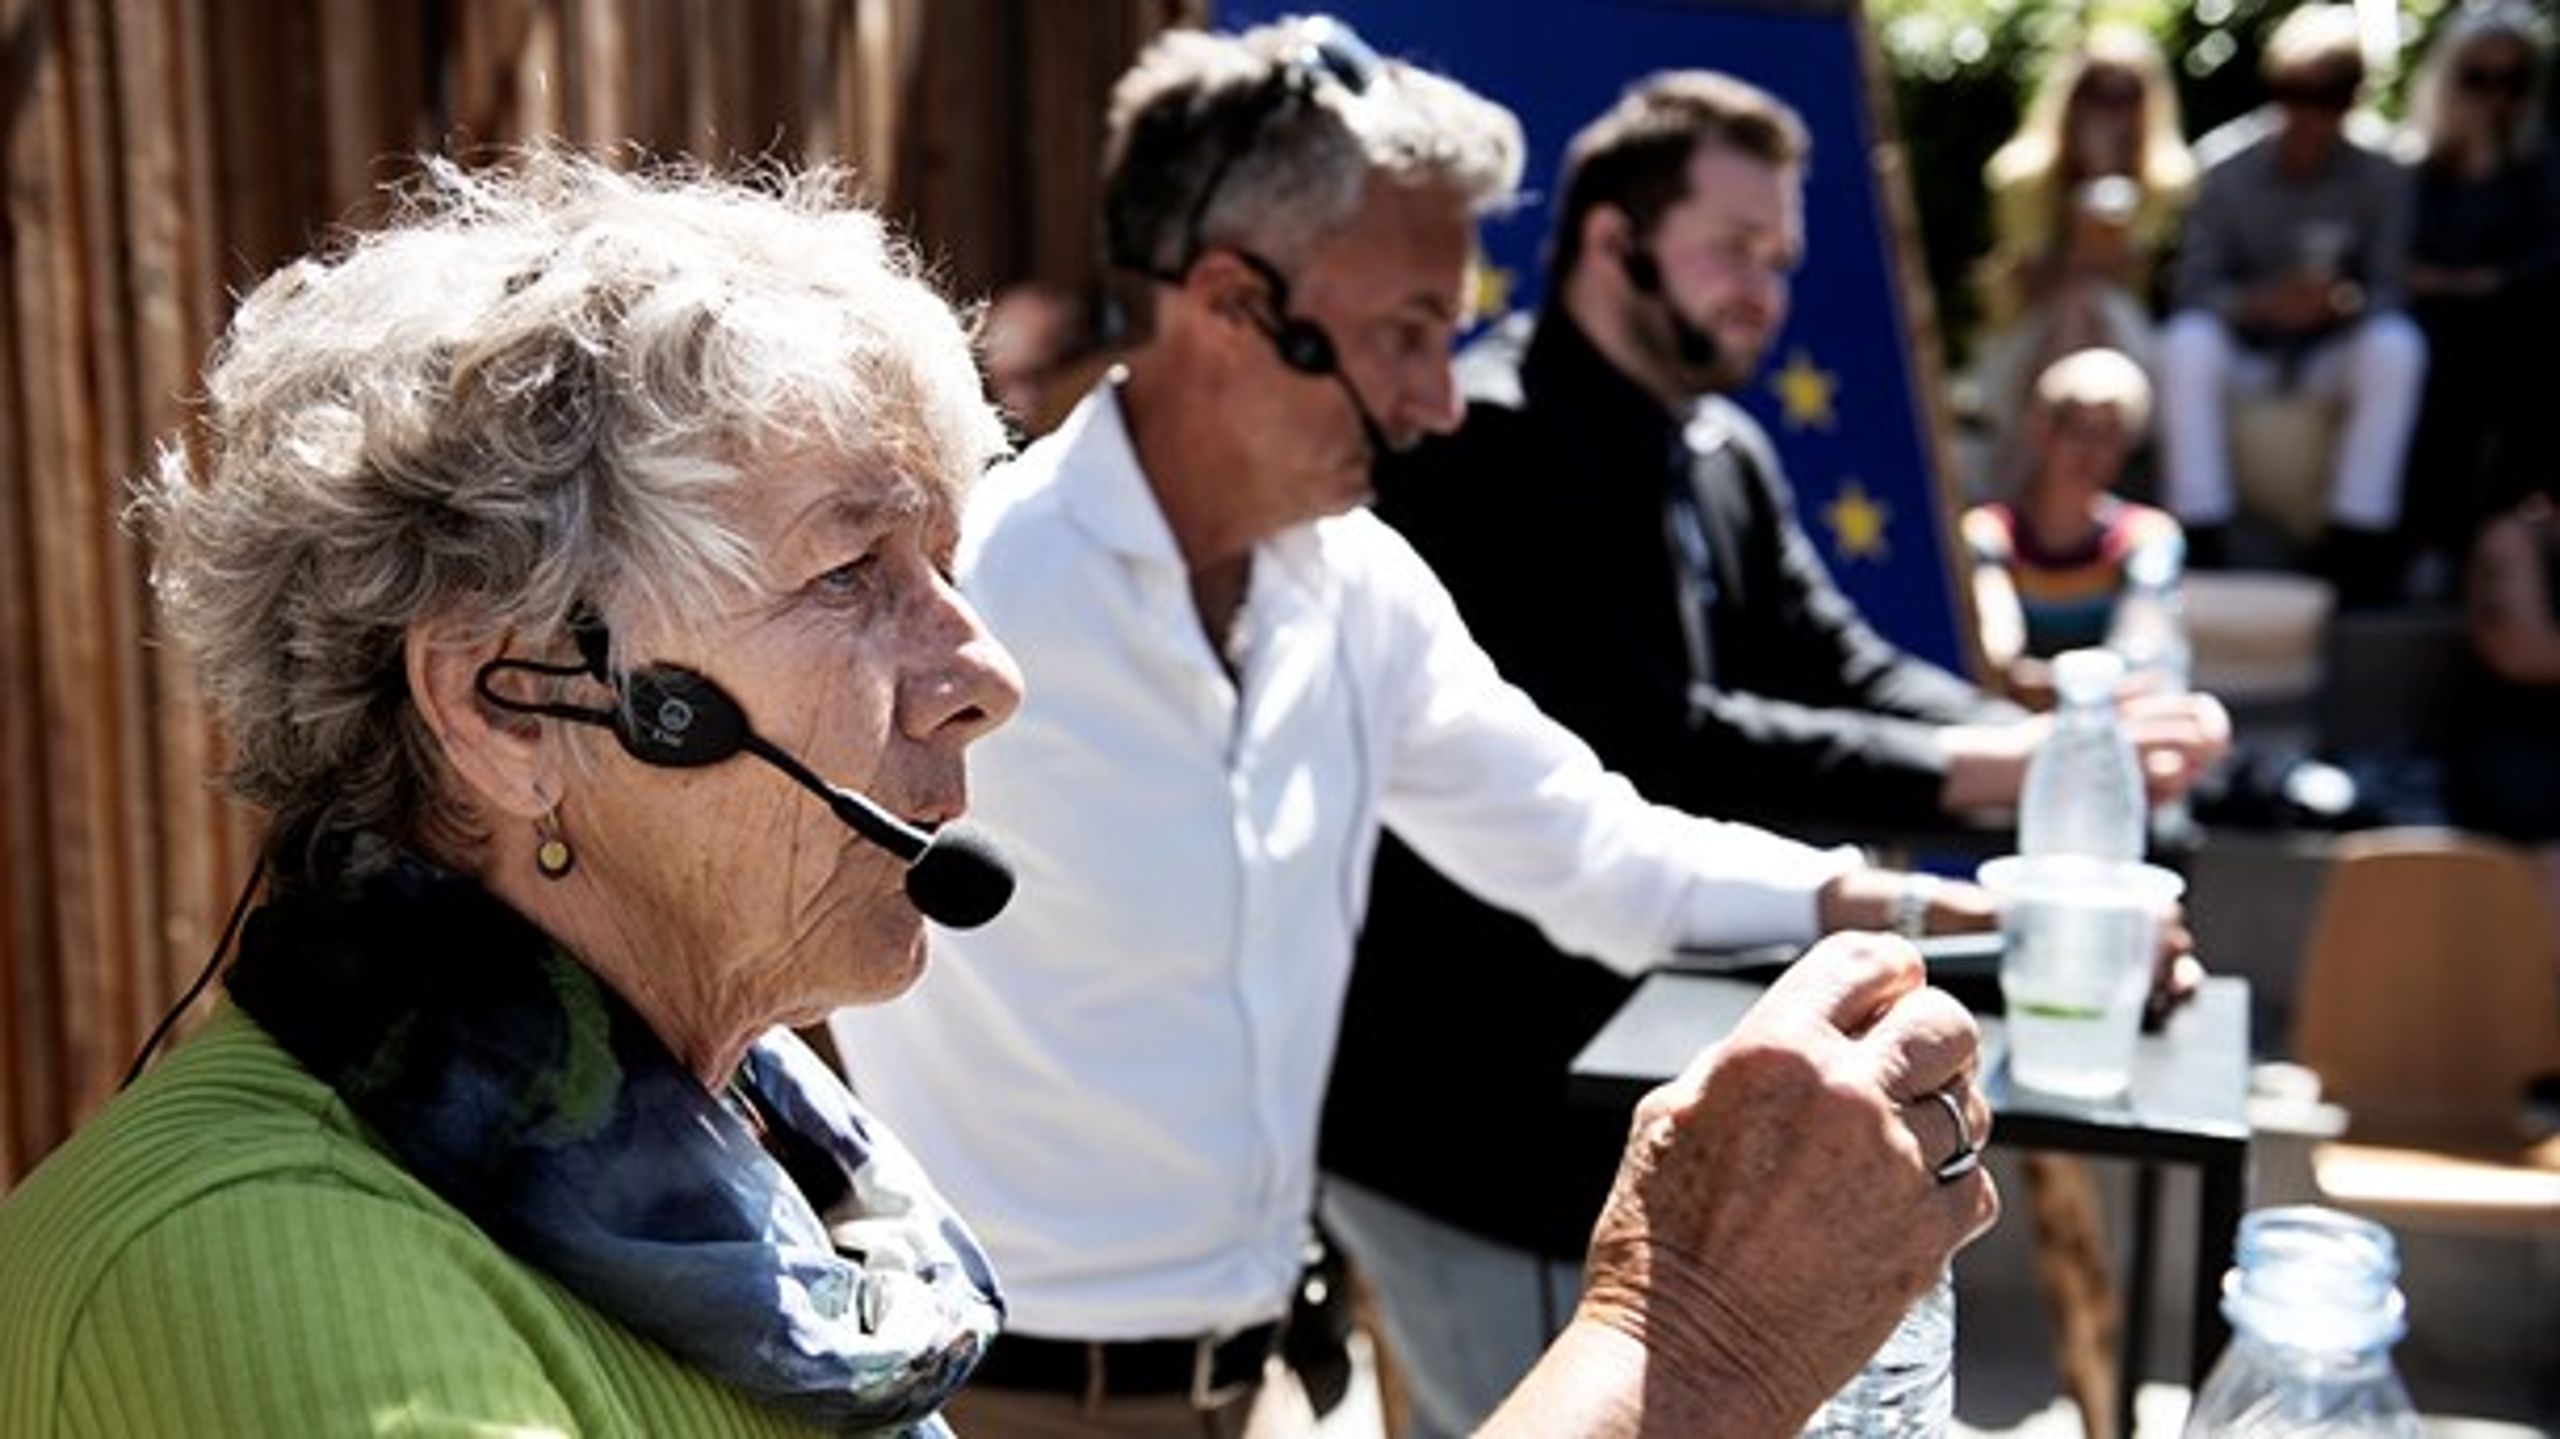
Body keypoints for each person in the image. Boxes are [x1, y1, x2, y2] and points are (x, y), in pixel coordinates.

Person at [0, 146, 1998, 1439]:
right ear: (509, 702)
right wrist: (1682, 1347)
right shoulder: (266, 1268)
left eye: (947, 566)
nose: (985, 668)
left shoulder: (736, 1144)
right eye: (856, 573)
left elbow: (1587, 842)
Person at [830, 20, 1996, 1438]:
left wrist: (1933, 902)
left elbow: (1594, 854)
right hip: (984, 1396)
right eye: (1406, 333)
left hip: (1255, 1384)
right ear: (1225, 303)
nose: (1441, 398)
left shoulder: (1360, 588)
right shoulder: (978, 595)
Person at [1318, 72, 2219, 1438]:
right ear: (1612, 238)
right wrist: (2008, 775)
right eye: (1733, 247)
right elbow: (1658, 740)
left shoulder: (1720, 443)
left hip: (1662, 1102)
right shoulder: (1489, 434)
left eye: (1781, 257)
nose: (1766, 288)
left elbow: (1843, 667)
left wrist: (2061, 743)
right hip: (1477, 1123)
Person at [2157, 3, 2427, 604]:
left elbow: (2390, 288)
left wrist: (2341, 304)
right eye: (2295, 92)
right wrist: (2258, 304)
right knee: (2186, 344)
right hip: (2246, 352)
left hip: (2331, 354)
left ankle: (2358, 541)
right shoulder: (2224, 167)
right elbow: (2192, 288)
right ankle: (2201, 536)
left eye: (2328, 95)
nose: (2309, 111)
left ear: (2355, 96)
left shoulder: (2384, 173)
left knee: (2397, 348)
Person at [1974, 24, 2198, 484]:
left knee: (2088, 304)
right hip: (2029, 337)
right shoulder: (2022, 177)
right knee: (2076, 305)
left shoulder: (2171, 183)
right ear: (2069, 98)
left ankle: (2031, 487)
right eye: (2095, 93)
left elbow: (2133, 281)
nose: (2109, 110)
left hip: (2129, 343)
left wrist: (2111, 191)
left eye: (2126, 96)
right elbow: (2034, 284)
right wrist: (2086, 200)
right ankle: (2044, 488)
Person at [2398, 1, 2560, 581]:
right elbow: (2402, 260)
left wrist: (2491, 160)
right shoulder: (2414, 169)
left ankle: (2486, 543)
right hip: (2434, 329)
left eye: (2512, 79)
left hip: (2522, 326)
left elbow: (2541, 263)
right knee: (2434, 358)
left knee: (2516, 354)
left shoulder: (2542, 164)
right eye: (2478, 78)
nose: (2495, 96)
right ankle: (2427, 546)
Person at [1965, 347, 2186, 706]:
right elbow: (1996, 654)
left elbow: (2144, 658)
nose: (2091, 451)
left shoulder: (2146, 535)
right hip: (2015, 727)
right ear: (2042, 431)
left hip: (2122, 724)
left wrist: (2044, 684)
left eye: (2110, 435)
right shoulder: (1990, 531)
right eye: (2077, 429)